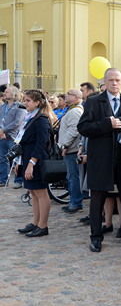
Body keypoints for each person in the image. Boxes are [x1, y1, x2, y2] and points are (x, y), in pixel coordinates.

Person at [77, 68, 121, 252]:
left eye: (117, 80)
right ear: (105, 82)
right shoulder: (93, 102)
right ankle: (96, 236)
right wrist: (107, 124)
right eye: (111, 80)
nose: (114, 83)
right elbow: (83, 127)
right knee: (98, 197)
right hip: (102, 158)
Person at [14, 90, 53, 238]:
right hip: (26, 158)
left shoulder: (41, 119)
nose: (25, 103)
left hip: (36, 160)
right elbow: (22, 140)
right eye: (25, 100)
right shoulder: (29, 117)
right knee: (33, 192)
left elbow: (41, 144)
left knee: (41, 192)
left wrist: (31, 163)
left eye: (28, 100)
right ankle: (36, 222)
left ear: (37, 103)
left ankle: (43, 225)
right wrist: (20, 162)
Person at [57, 89, 84, 214]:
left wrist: (65, 144)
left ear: (76, 98)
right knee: (71, 176)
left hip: (72, 149)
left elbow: (74, 129)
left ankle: (76, 202)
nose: (66, 95)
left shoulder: (75, 112)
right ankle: (73, 201)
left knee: (73, 177)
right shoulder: (71, 110)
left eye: (69, 94)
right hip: (70, 148)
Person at [0, 86, 27, 186]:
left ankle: (18, 180)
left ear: (13, 94)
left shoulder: (20, 106)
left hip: (13, 136)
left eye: (7, 92)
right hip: (2, 136)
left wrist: (4, 130)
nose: (4, 93)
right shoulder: (2, 106)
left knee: (16, 159)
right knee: (2, 159)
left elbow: (17, 122)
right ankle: (3, 180)